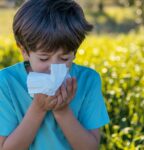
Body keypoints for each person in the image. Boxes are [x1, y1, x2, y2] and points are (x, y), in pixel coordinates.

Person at [0, 0, 110, 149]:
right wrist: (38, 108)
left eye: (64, 58)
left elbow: (90, 147)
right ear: (24, 51)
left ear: (75, 52)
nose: (54, 68)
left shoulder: (88, 80)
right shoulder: (6, 82)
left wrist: (62, 110)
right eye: (44, 58)